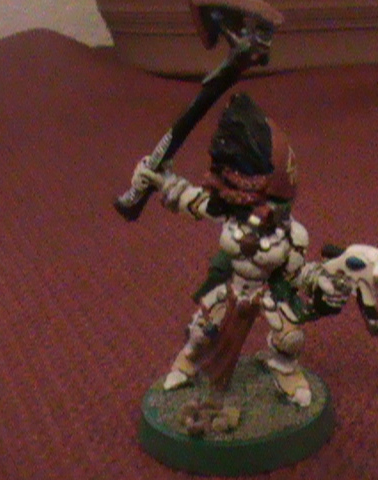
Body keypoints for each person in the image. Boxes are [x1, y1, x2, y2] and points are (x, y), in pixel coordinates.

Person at [131, 93, 349, 411]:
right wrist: (159, 181)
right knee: (201, 329)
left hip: (266, 293)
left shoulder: (292, 235)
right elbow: (191, 199)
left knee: (290, 338)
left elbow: (297, 274)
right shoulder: (231, 213)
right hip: (233, 286)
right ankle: (187, 362)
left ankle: (284, 370)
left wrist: (322, 282)